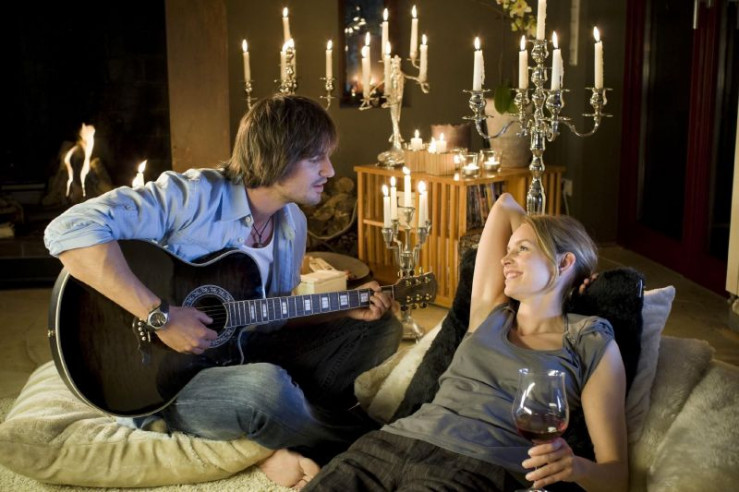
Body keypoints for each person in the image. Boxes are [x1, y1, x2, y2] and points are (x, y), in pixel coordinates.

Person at [44, 94, 402, 488]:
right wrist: (161, 316)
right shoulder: (191, 196)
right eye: (317, 158)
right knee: (266, 389)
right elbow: (67, 230)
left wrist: (343, 309)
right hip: (169, 383)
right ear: (278, 156)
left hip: (244, 354)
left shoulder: (292, 224)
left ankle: (283, 431)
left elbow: (272, 318)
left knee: (380, 327)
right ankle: (374, 447)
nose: (330, 171)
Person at [303, 193, 629, 492]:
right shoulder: (490, 313)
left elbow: (616, 478)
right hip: (390, 443)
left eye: (522, 249)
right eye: (508, 249)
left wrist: (577, 468)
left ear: (565, 262)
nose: (505, 259)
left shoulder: (588, 340)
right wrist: (537, 240)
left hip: (475, 467)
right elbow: (504, 205)